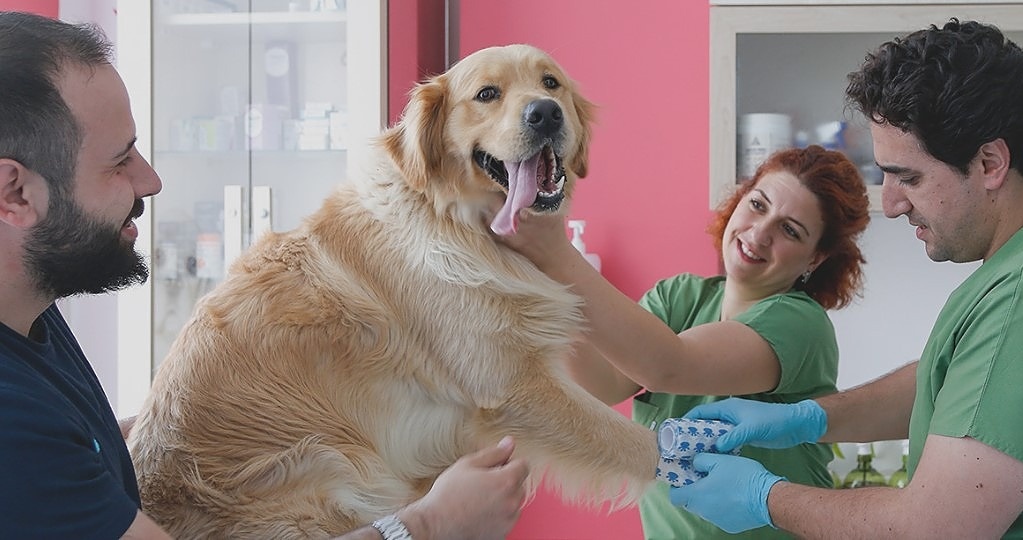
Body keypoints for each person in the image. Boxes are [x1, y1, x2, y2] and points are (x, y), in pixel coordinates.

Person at [0, 11, 527, 540]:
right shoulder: (12, 429)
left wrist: (242, 408)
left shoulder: (29, 315)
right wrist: (426, 526)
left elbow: (74, 452)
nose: (151, 180)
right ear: (15, 193)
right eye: (118, 163)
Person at [669, 18, 1023, 538]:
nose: (891, 204)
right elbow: (969, 389)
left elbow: (934, 528)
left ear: (989, 162)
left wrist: (766, 498)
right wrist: (811, 419)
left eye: (908, 177)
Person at [498, 145, 870, 538]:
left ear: (815, 259)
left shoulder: (801, 325)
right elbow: (601, 384)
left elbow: (669, 367)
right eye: (758, 204)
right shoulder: (680, 298)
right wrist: (541, 279)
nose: (760, 234)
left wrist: (557, 254)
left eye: (790, 230)